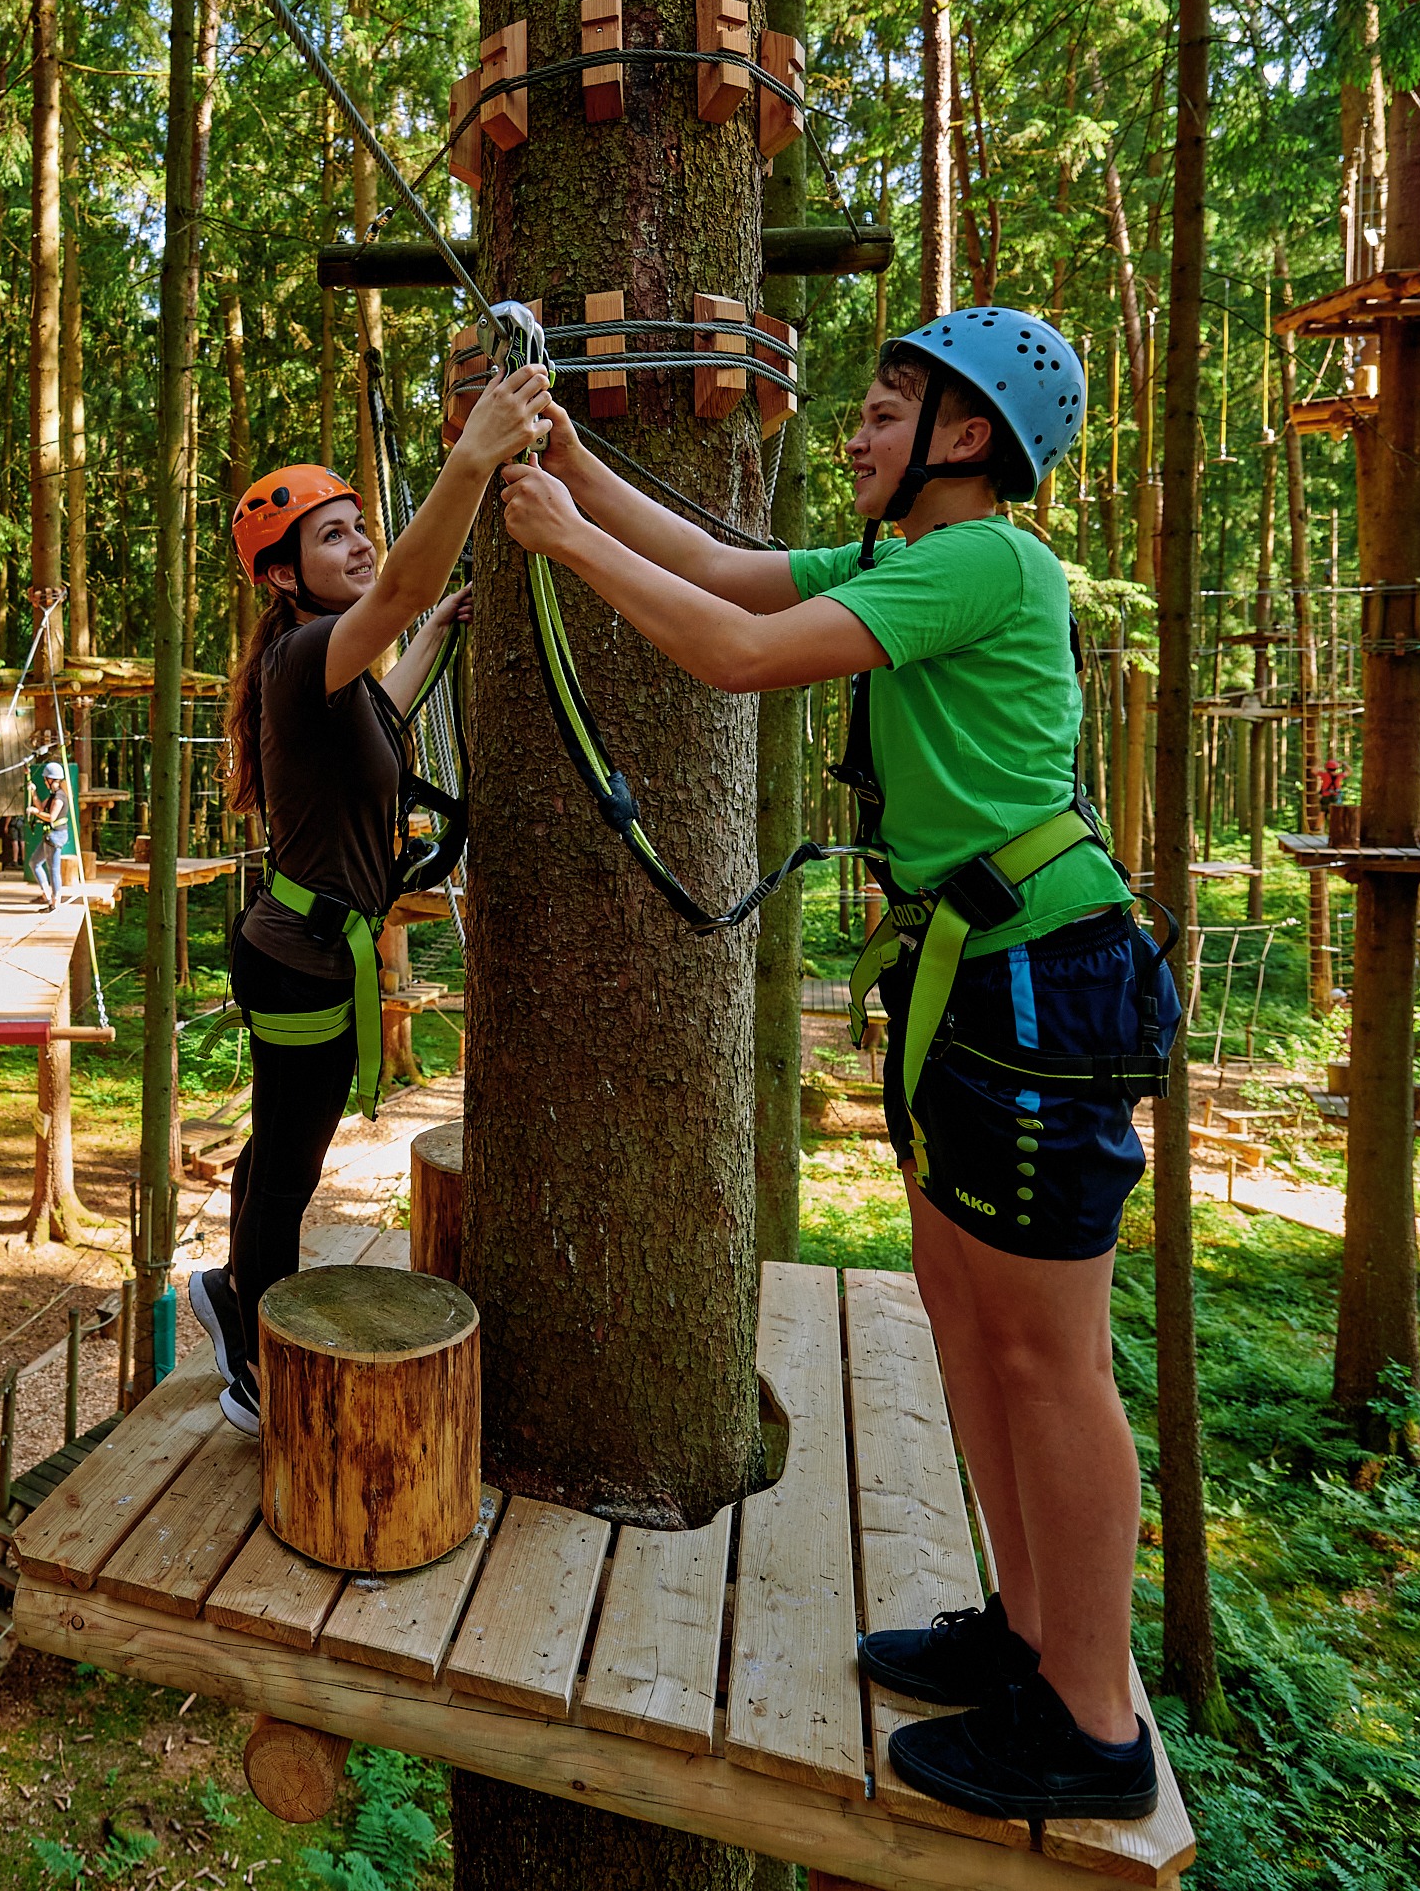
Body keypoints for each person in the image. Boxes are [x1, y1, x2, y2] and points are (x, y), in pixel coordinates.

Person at [492, 306, 1175, 1825]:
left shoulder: (990, 559)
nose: (858, 436)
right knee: (962, 1311)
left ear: (967, 438)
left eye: (883, 413)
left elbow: (734, 653)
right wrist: (571, 463)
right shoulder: (911, 562)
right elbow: (730, 570)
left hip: (1031, 978)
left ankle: (1095, 1721)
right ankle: (1033, 1633)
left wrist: (562, 540)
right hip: (976, 975)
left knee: (1042, 1352)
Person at [185, 360, 561, 1438]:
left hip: (301, 944)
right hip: (303, 952)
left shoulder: (326, 673)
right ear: (283, 579)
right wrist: (473, 453)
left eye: (359, 526)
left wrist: (435, 628)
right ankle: (251, 1354)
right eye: (332, 536)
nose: (356, 545)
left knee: (276, 1142)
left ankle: (224, 1290)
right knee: (288, 1175)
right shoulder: (308, 651)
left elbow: (382, 723)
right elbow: (390, 593)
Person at [26, 755, 75, 901]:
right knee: (34, 863)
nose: (44, 782)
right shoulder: (54, 795)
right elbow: (41, 806)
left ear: (51, 779)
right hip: (50, 836)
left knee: (53, 869)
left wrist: (36, 812)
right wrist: (33, 792)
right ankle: (47, 893)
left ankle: (55, 900)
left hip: (56, 835)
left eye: (45, 779)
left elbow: (51, 817)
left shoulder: (60, 797)